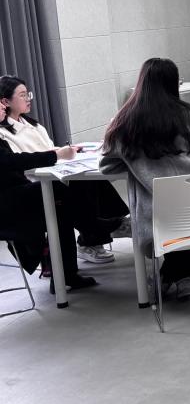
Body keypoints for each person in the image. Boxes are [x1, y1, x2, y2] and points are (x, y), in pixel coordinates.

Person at [101, 58, 190, 301]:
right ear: (174, 83)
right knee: (185, 212)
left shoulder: (125, 120)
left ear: (141, 82)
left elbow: (107, 166)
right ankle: (179, 277)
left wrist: (136, 162)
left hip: (154, 214)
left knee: (171, 213)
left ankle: (171, 276)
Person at [0, 75, 127, 265]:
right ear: (6, 101)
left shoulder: (34, 125)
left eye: (28, 94)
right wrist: (58, 155)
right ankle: (106, 228)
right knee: (77, 185)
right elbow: (22, 162)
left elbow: (49, 149)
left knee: (89, 177)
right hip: (35, 183)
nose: (28, 99)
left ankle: (109, 226)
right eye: (22, 95)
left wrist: (68, 151)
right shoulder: (4, 134)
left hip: (53, 171)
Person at [0, 96, 98, 294]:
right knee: (59, 192)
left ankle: (64, 274)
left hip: (15, 196)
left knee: (62, 206)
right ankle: (97, 229)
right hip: (7, 206)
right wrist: (56, 155)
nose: (3, 106)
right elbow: (12, 162)